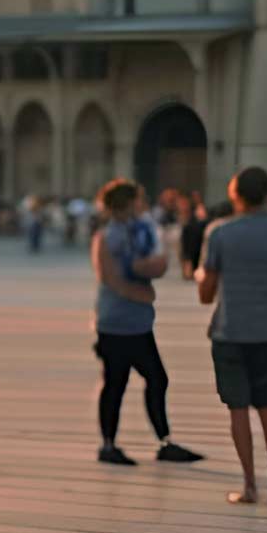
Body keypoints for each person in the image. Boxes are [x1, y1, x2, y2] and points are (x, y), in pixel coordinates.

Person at [196, 167, 267, 506]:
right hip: (265, 331)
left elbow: (206, 293)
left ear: (235, 194)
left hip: (229, 331)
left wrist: (203, 278)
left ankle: (250, 485)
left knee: (238, 408)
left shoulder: (220, 233)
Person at [91, 178, 204, 466]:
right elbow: (110, 276)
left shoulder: (136, 231)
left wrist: (152, 272)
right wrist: (143, 294)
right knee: (117, 382)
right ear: (126, 204)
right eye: (138, 201)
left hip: (137, 324)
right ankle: (109, 445)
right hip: (117, 323)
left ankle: (162, 440)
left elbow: (154, 261)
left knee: (154, 378)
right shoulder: (109, 235)